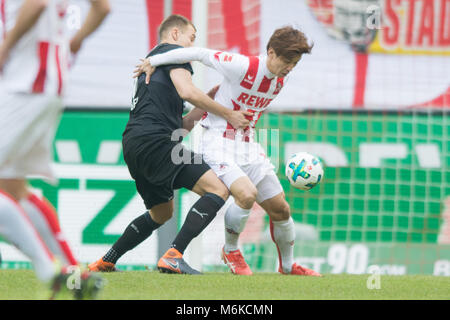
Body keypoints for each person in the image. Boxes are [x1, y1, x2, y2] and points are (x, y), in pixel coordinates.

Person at [134, 25, 322, 276]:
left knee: (281, 209)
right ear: (271, 52)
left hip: (247, 145)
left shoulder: (281, 79)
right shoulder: (243, 65)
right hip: (217, 143)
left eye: (295, 63)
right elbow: (200, 53)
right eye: (287, 61)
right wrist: (152, 61)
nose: (289, 68)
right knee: (246, 195)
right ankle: (231, 250)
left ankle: (288, 267)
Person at [88, 14, 251, 274]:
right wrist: (228, 113)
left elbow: (181, 127)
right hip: (156, 142)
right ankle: (174, 255)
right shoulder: (174, 53)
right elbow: (188, 92)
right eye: (191, 38)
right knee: (218, 189)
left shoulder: (152, 67)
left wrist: (205, 104)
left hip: (134, 143)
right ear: (175, 34)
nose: (192, 45)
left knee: (161, 213)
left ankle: (107, 259)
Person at [0, 0, 110, 298]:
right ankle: (77, 275)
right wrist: (72, 44)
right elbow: (103, 8)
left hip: (25, 86)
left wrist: (6, 47)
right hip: (46, 86)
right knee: (13, 188)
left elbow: (36, 3)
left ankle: (51, 270)